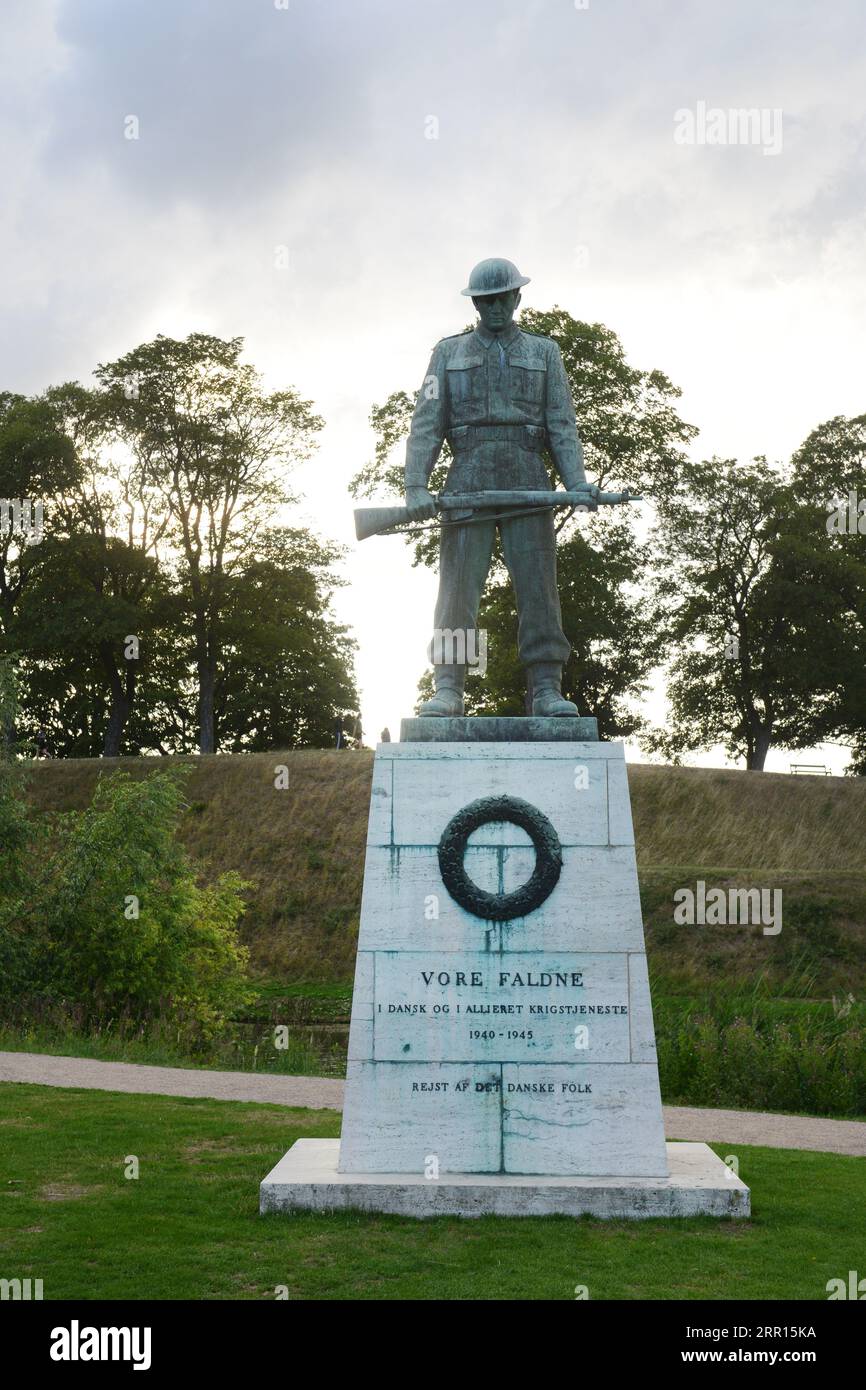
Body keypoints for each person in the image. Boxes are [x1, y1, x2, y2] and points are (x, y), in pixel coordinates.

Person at [404, 257, 592, 717]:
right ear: (476, 303)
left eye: (501, 298)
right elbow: (427, 422)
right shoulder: (446, 354)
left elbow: (561, 422)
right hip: (467, 475)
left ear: (516, 298)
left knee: (539, 589)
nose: (493, 307)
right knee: (457, 592)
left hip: (528, 476)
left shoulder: (545, 352)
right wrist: (415, 484)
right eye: (485, 300)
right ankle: (449, 686)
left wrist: (576, 482)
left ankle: (546, 686)